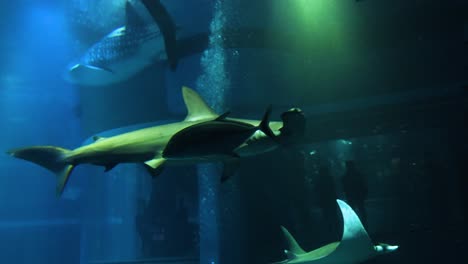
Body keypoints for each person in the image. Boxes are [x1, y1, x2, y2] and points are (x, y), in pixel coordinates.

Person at [316, 165, 340, 239]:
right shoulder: (329, 178)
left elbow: (317, 191)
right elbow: (334, 189)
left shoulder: (319, 180)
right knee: (333, 216)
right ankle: (336, 231)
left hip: (325, 201)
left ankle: (330, 233)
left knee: (328, 217)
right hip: (330, 200)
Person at [342, 160, 368, 227]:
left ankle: (355, 224)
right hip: (358, 194)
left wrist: (346, 194)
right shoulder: (357, 174)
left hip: (351, 195)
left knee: (353, 210)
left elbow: (344, 187)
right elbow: (363, 184)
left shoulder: (346, 176)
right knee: (361, 209)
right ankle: (364, 224)